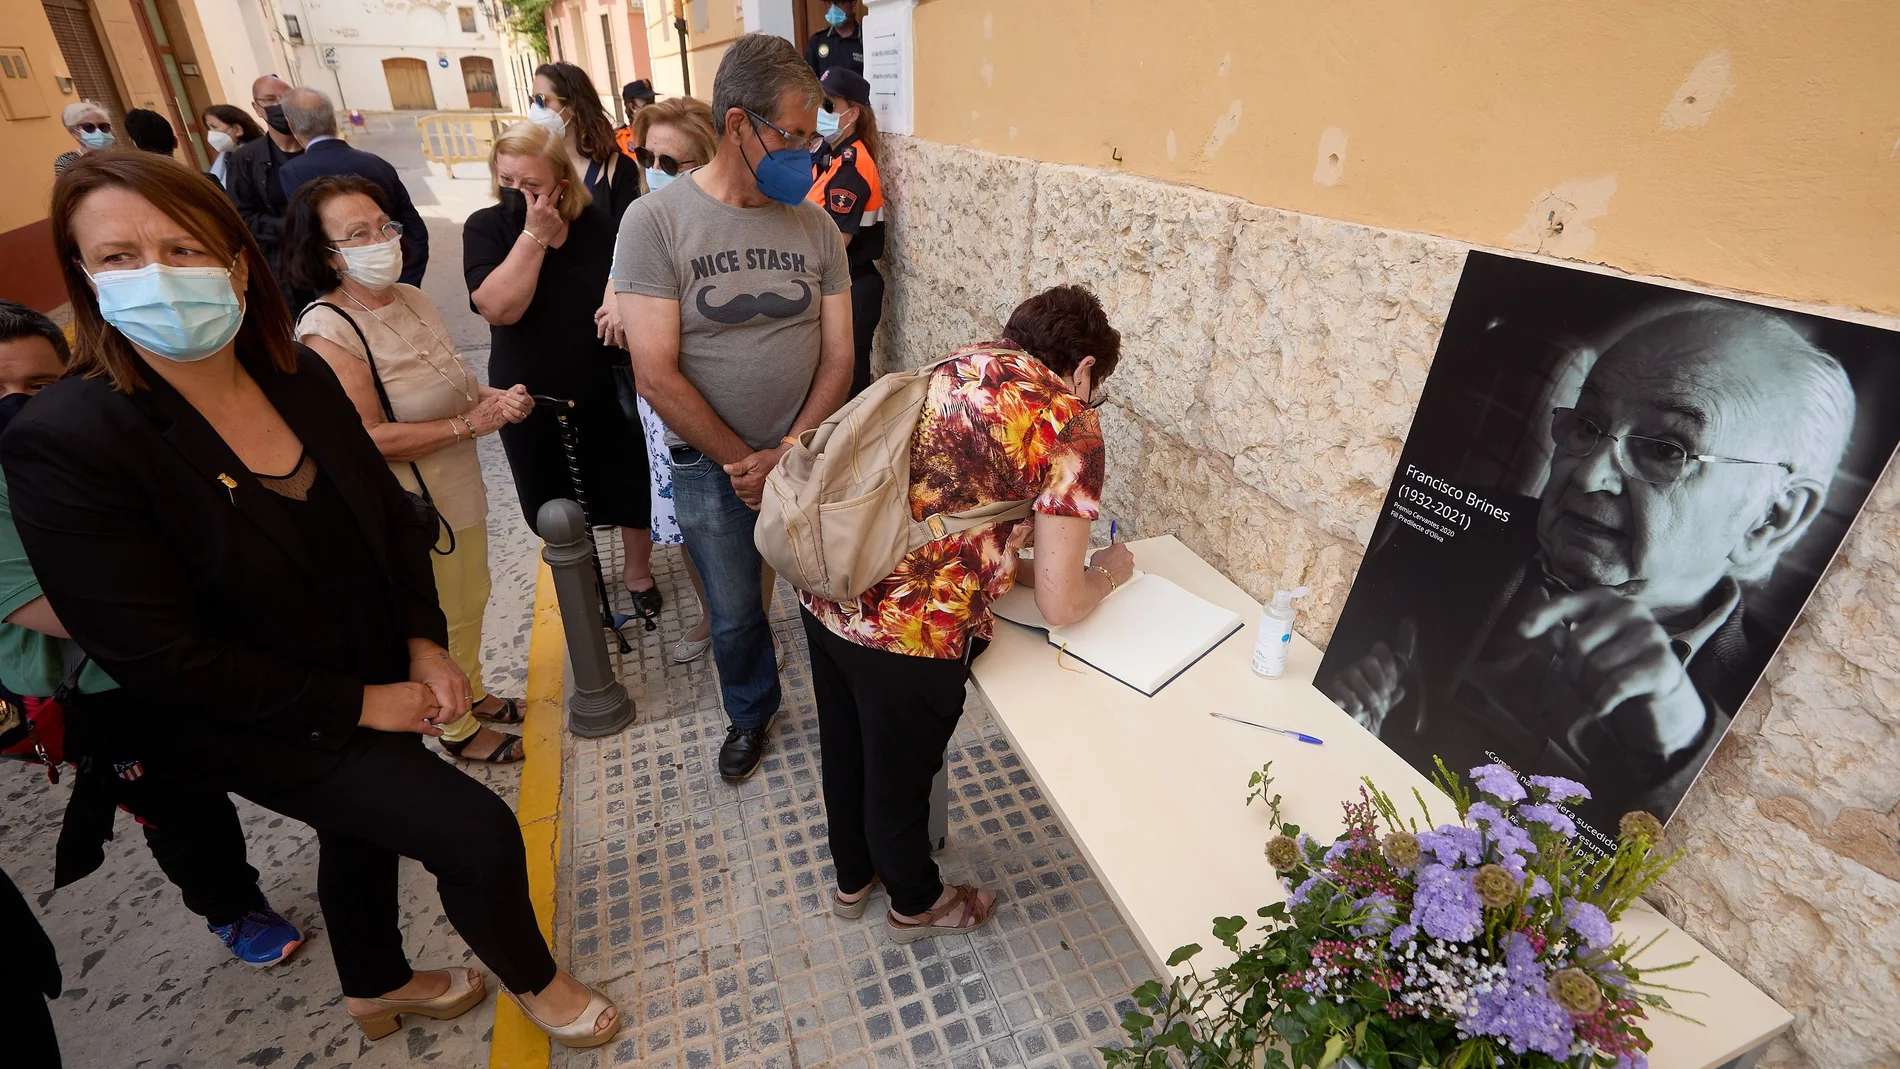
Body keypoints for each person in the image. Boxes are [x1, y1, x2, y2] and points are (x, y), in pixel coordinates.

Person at [2, 152, 618, 1048]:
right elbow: (158, 654)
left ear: (236, 263)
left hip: (370, 656)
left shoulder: (296, 374)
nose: (158, 277)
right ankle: (541, 983)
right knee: (474, 829)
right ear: (83, 279)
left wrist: (421, 641)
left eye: (182, 247)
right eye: (120, 257)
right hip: (246, 710)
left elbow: (390, 516)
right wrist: (367, 703)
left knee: (358, 830)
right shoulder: (69, 438)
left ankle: (376, 985)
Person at [1320, 302, 1857, 833]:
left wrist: (1677, 734)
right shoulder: (1449, 526)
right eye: (1589, 424)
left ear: (1771, 518)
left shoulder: (1778, 714)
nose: (1589, 474)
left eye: (1667, 449)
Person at [799, 286, 1126, 941]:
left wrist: (1029, 567)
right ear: (1084, 368)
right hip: (909, 635)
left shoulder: (953, 365)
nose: (1093, 400)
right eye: (1098, 386)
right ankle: (917, 903)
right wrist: (1112, 572)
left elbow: (962, 518)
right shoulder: (1070, 422)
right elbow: (1063, 603)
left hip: (830, 585)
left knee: (847, 749)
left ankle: (852, 878)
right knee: (899, 781)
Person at [0, 299, 309, 967]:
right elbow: (51, 610)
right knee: (179, 807)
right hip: (103, 690)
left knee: (274, 744)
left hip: (189, 651)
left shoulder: (95, 448)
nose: (14, 405)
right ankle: (232, 907)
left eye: (37, 387)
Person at [616, 34, 853, 781]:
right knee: (736, 610)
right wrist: (738, 462)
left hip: (804, 455)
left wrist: (788, 448)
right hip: (709, 467)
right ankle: (751, 711)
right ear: (738, 125)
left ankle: (847, 706)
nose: (806, 154)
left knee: (832, 591)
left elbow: (841, 353)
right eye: (792, 135)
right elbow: (654, 372)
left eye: (814, 136)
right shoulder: (655, 226)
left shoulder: (815, 225)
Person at [284, 176, 534, 763]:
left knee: (472, 595)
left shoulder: (412, 298)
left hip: (456, 487)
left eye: (384, 226)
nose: (380, 240)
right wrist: (469, 426)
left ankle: (468, 689)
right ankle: (455, 727)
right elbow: (364, 440)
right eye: (357, 234)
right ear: (327, 254)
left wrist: (495, 398)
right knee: (437, 615)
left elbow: (454, 383)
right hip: (411, 506)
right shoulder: (330, 329)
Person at [465, 123, 658, 617]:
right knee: (553, 496)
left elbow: (627, 275)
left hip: (604, 381)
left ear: (561, 184)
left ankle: (638, 572)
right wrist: (534, 237)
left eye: (531, 187)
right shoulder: (486, 228)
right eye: (507, 183)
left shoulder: (598, 225)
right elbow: (498, 307)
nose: (518, 195)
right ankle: (582, 579)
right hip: (529, 392)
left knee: (630, 481)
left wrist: (616, 298)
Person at [623, 96, 723, 663]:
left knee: (738, 524)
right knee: (684, 521)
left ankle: (748, 627)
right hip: (664, 403)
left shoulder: (725, 225)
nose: (656, 173)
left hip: (723, 399)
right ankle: (713, 616)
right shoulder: (640, 221)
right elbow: (615, 290)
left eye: (673, 164)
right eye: (648, 158)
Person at [277, 88, 430, 287]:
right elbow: (415, 229)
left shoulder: (293, 172)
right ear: (333, 119)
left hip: (343, 291)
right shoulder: (377, 163)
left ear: (289, 124)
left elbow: (307, 239)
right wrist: (407, 280)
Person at [810, 68, 885, 398]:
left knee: (847, 389)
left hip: (851, 285)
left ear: (851, 113)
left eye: (827, 104)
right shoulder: (827, 154)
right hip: (837, 283)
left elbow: (836, 243)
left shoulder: (852, 165)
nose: (818, 110)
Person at [224, 76, 304, 296]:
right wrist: (295, 227)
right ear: (257, 108)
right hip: (282, 268)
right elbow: (242, 215)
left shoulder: (316, 149)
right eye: (270, 100)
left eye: (286, 98)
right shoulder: (245, 159)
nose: (280, 105)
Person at [530, 63, 639, 224]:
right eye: (532, 100)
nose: (534, 109)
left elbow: (630, 240)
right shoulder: (533, 165)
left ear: (572, 106)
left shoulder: (618, 170)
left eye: (541, 100)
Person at [202, 104, 264, 189]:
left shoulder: (257, 156)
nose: (211, 133)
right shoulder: (224, 158)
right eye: (208, 128)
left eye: (214, 127)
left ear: (238, 130)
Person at [804, 1, 864, 80]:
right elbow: (808, 81)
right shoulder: (816, 41)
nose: (832, 9)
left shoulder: (866, 39)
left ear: (853, 5)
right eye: (829, 3)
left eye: (837, 3)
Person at [53, 100, 114, 177]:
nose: (98, 131)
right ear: (74, 132)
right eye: (88, 127)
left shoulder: (117, 157)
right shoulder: (67, 161)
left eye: (103, 126)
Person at [613, 79, 658, 161]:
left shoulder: (663, 132)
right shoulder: (619, 140)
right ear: (632, 107)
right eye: (647, 105)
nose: (653, 109)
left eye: (653, 103)